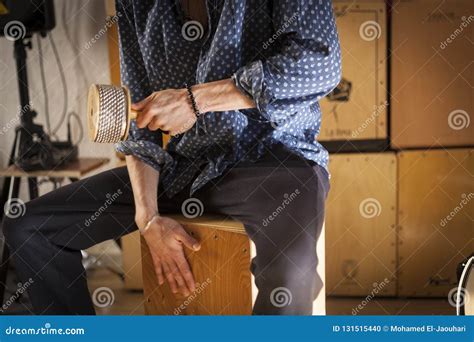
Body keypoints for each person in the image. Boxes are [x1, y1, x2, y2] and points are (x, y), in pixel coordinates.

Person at [3, 0, 341, 315]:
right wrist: (147, 218)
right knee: (29, 226)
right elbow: (141, 135)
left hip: (275, 164)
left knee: (291, 276)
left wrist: (195, 100)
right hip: (185, 170)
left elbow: (320, 65)